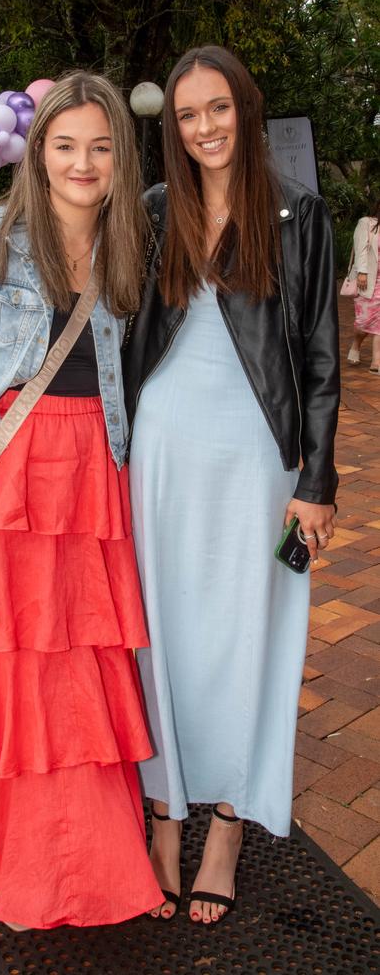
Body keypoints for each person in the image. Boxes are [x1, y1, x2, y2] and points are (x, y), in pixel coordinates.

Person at [0, 71, 164, 930]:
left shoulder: (131, 247)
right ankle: (23, 860)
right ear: (37, 151)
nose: (83, 163)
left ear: (121, 155)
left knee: (82, 671)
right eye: (65, 144)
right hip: (12, 483)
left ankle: (85, 869)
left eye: (101, 145)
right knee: (8, 670)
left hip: (92, 483)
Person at [122, 46, 340, 925]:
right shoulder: (151, 210)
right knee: (162, 635)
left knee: (247, 635)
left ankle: (228, 822)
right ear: (172, 129)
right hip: (162, 452)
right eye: (187, 115)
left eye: (219, 108)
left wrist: (316, 479)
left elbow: (323, 360)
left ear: (245, 111)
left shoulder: (300, 214)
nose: (206, 126)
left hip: (256, 457)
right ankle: (168, 809)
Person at [346, 199, 380, 371]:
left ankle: (376, 362)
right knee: (364, 322)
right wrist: (362, 272)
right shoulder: (366, 223)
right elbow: (361, 248)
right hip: (368, 279)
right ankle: (356, 344)